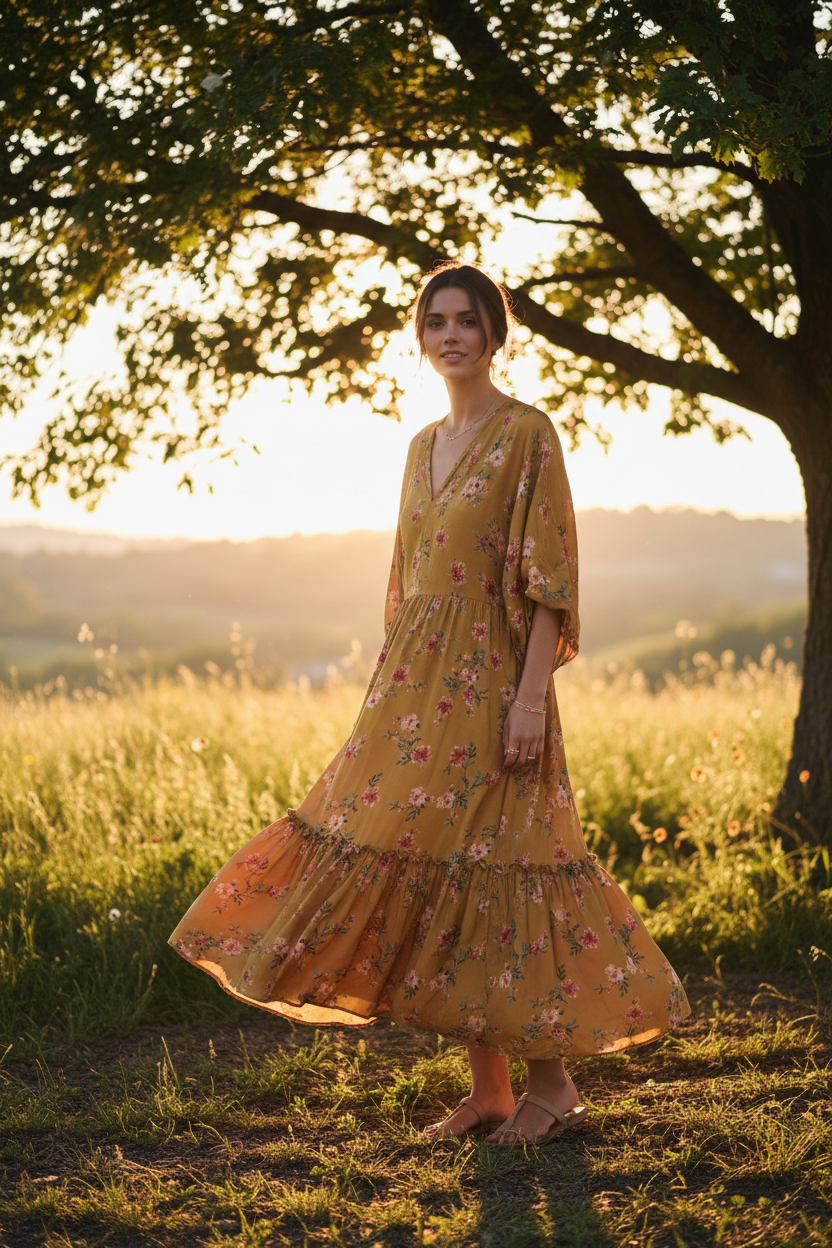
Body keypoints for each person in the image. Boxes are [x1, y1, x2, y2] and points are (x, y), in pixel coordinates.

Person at [169, 261, 690, 1146]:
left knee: (501, 868)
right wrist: (388, 688)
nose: (451, 335)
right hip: (415, 692)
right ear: (422, 339)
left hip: (497, 688)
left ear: (495, 333)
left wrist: (529, 699)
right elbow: (407, 584)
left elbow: (549, 583)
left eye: (468, 320)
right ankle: (491, 1093)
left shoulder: (529, 433)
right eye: (436, 322)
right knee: (435, 869)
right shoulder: (419, 447)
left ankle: (554, 1086)